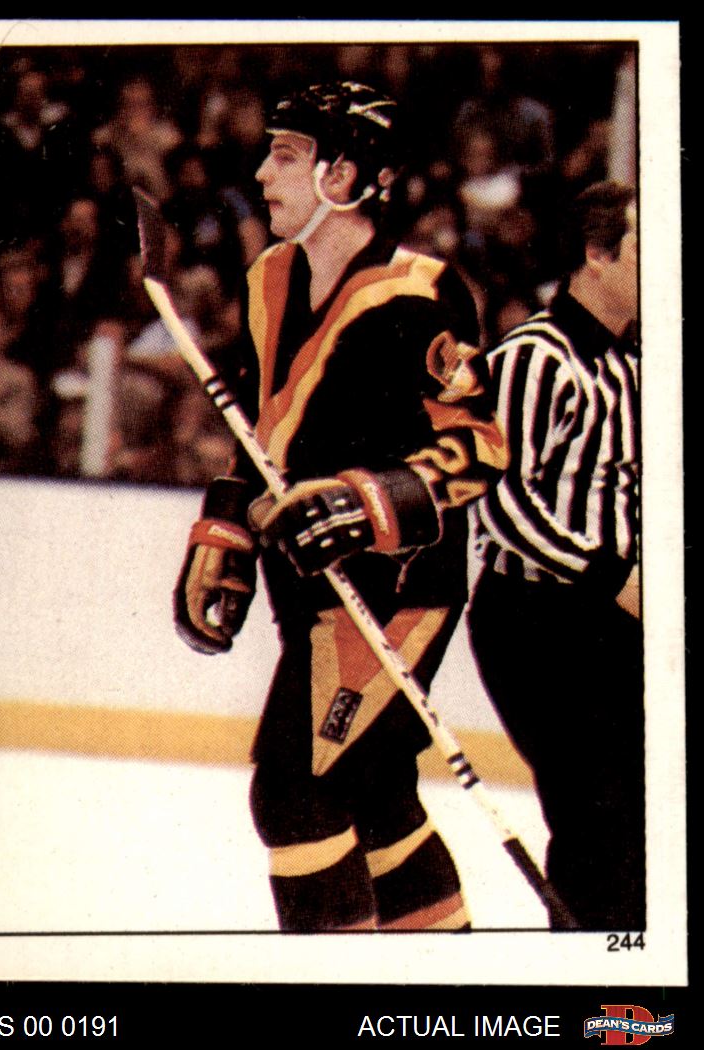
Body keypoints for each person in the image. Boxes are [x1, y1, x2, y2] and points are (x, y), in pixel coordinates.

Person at [173, 82, 507, 932]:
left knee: (295, 792)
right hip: (306, 588)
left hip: (393, 592)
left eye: (285, 155)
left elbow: (479, 446)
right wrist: (226, 526)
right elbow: (259, 428)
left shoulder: (420, 293)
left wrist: (372, 500)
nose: (262, 173)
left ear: (345, 174)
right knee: (377, 792)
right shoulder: (268, 277)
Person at [466, 180, 643, 930]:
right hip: (537, 620)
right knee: (597, 815)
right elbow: (497, 499)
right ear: (596, 255)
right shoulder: (534, 358)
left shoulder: (637, 361)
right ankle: (593, 981)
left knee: (640, 816)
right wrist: (612, 576)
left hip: (615, 620)